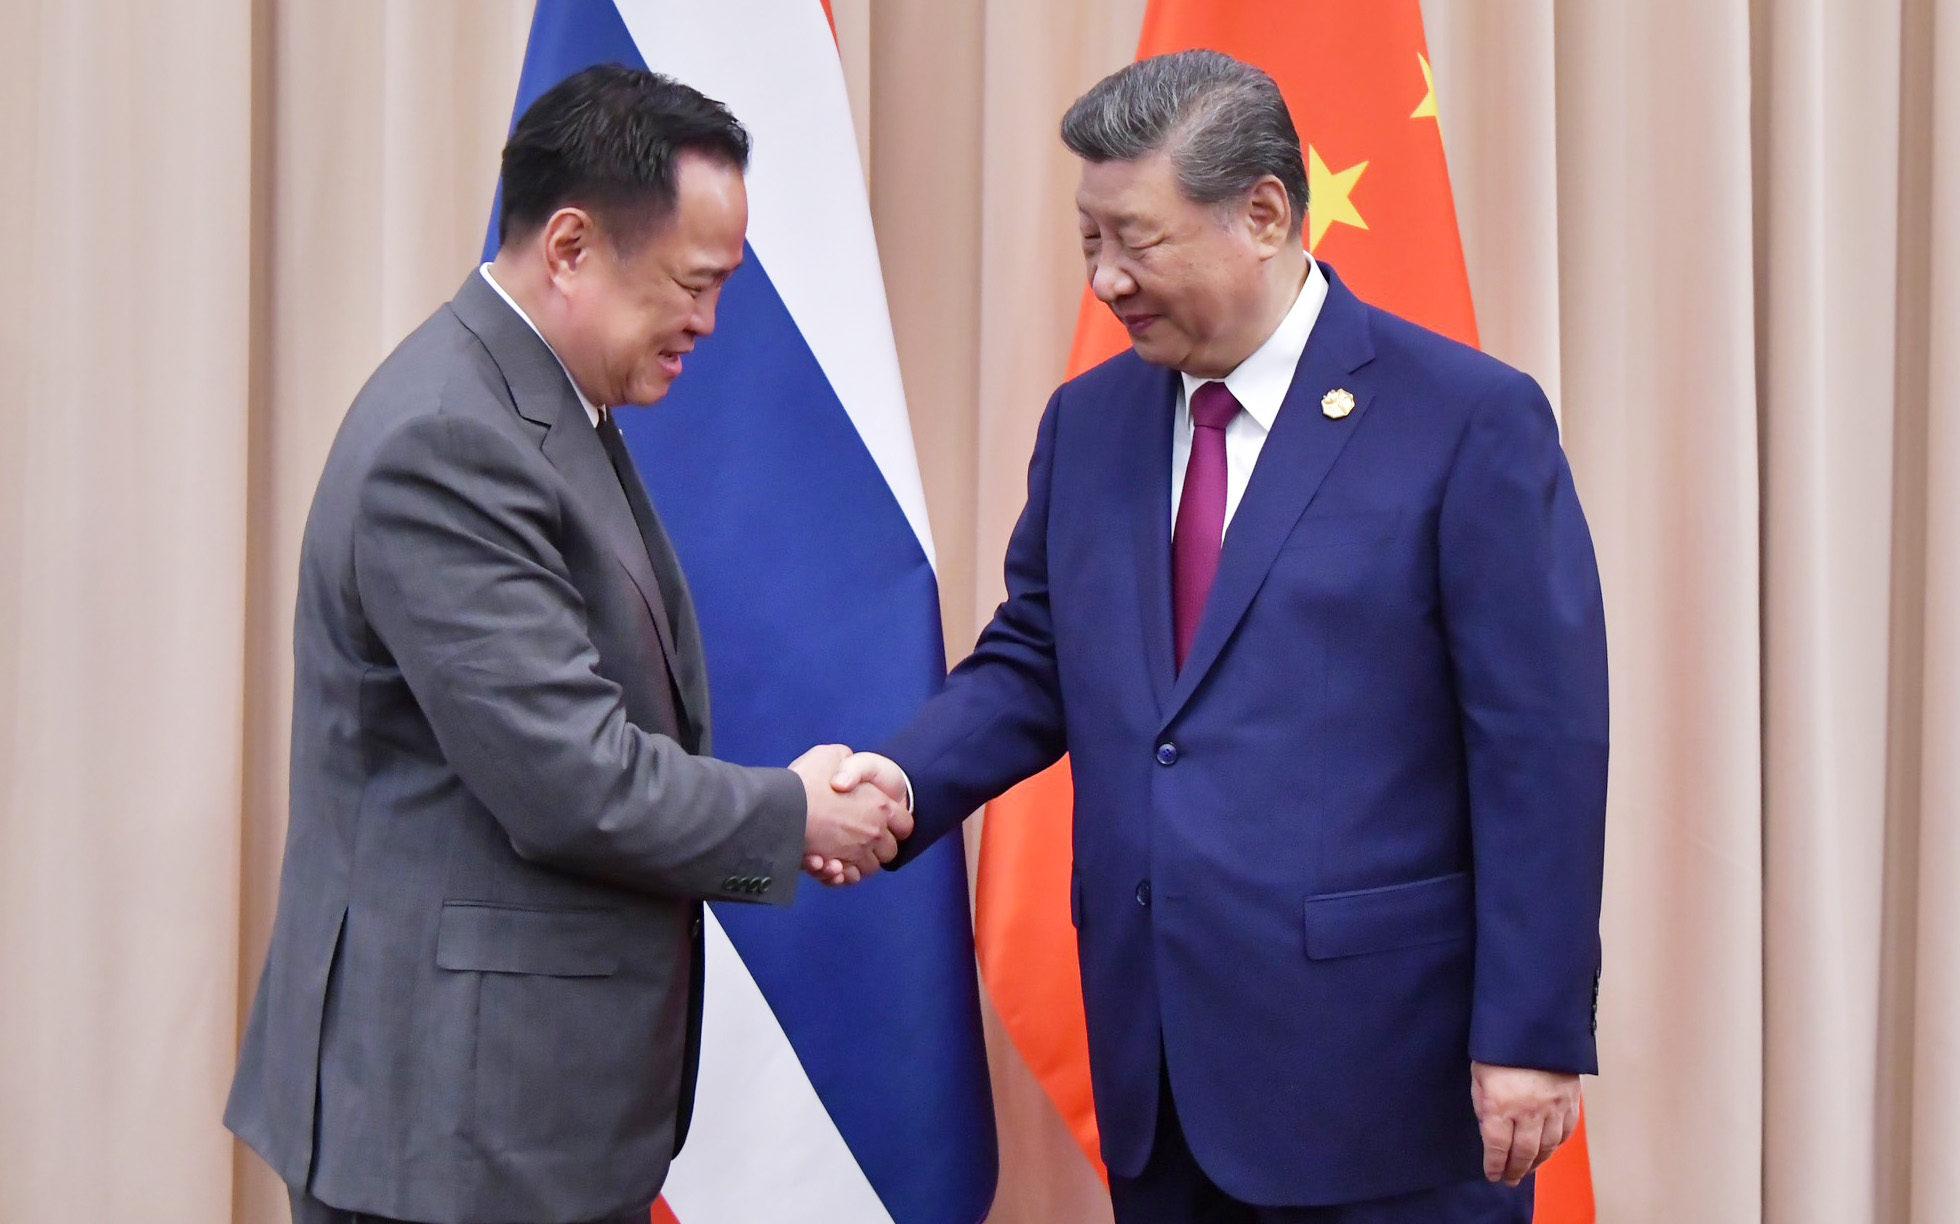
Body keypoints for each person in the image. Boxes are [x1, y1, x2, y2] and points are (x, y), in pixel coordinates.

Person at [829, 50, 1609, 1224]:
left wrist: (1531, 1033)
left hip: (1382, 1082)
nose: (1105, 279)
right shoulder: (1088, 423)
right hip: (1160, 1070)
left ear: (1264, 215)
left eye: (1135, 240)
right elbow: (1039, 656)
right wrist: (899, 779)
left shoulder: (1465, 420)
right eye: (1088, 240)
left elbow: (1539, 745)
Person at [226, 65, 909, 1224]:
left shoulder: (535, 404)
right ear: (572, 247)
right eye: (693, 283)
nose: (709, 322)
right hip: (449, 1138)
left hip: (515, 1124)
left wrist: (785, 837)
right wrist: (796, 820)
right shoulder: (450, 438)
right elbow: (568, 785)